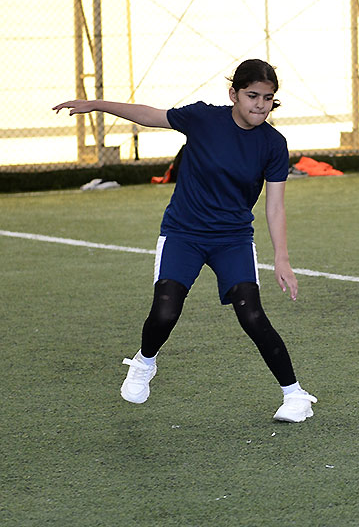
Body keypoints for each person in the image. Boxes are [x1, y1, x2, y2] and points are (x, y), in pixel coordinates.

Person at [52, 59, 317, 423]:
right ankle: (145, 362)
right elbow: (150, 115)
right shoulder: (202, 118)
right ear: (234, 94)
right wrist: (96, 105)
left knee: (252, 315)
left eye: (268, 98)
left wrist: (282, 258)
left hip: (232, 239)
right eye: (252, 95)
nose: (260, 104)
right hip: (183, 233)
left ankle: (295, 396)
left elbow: (275, 206)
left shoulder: (273, 144)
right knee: (165, 311)